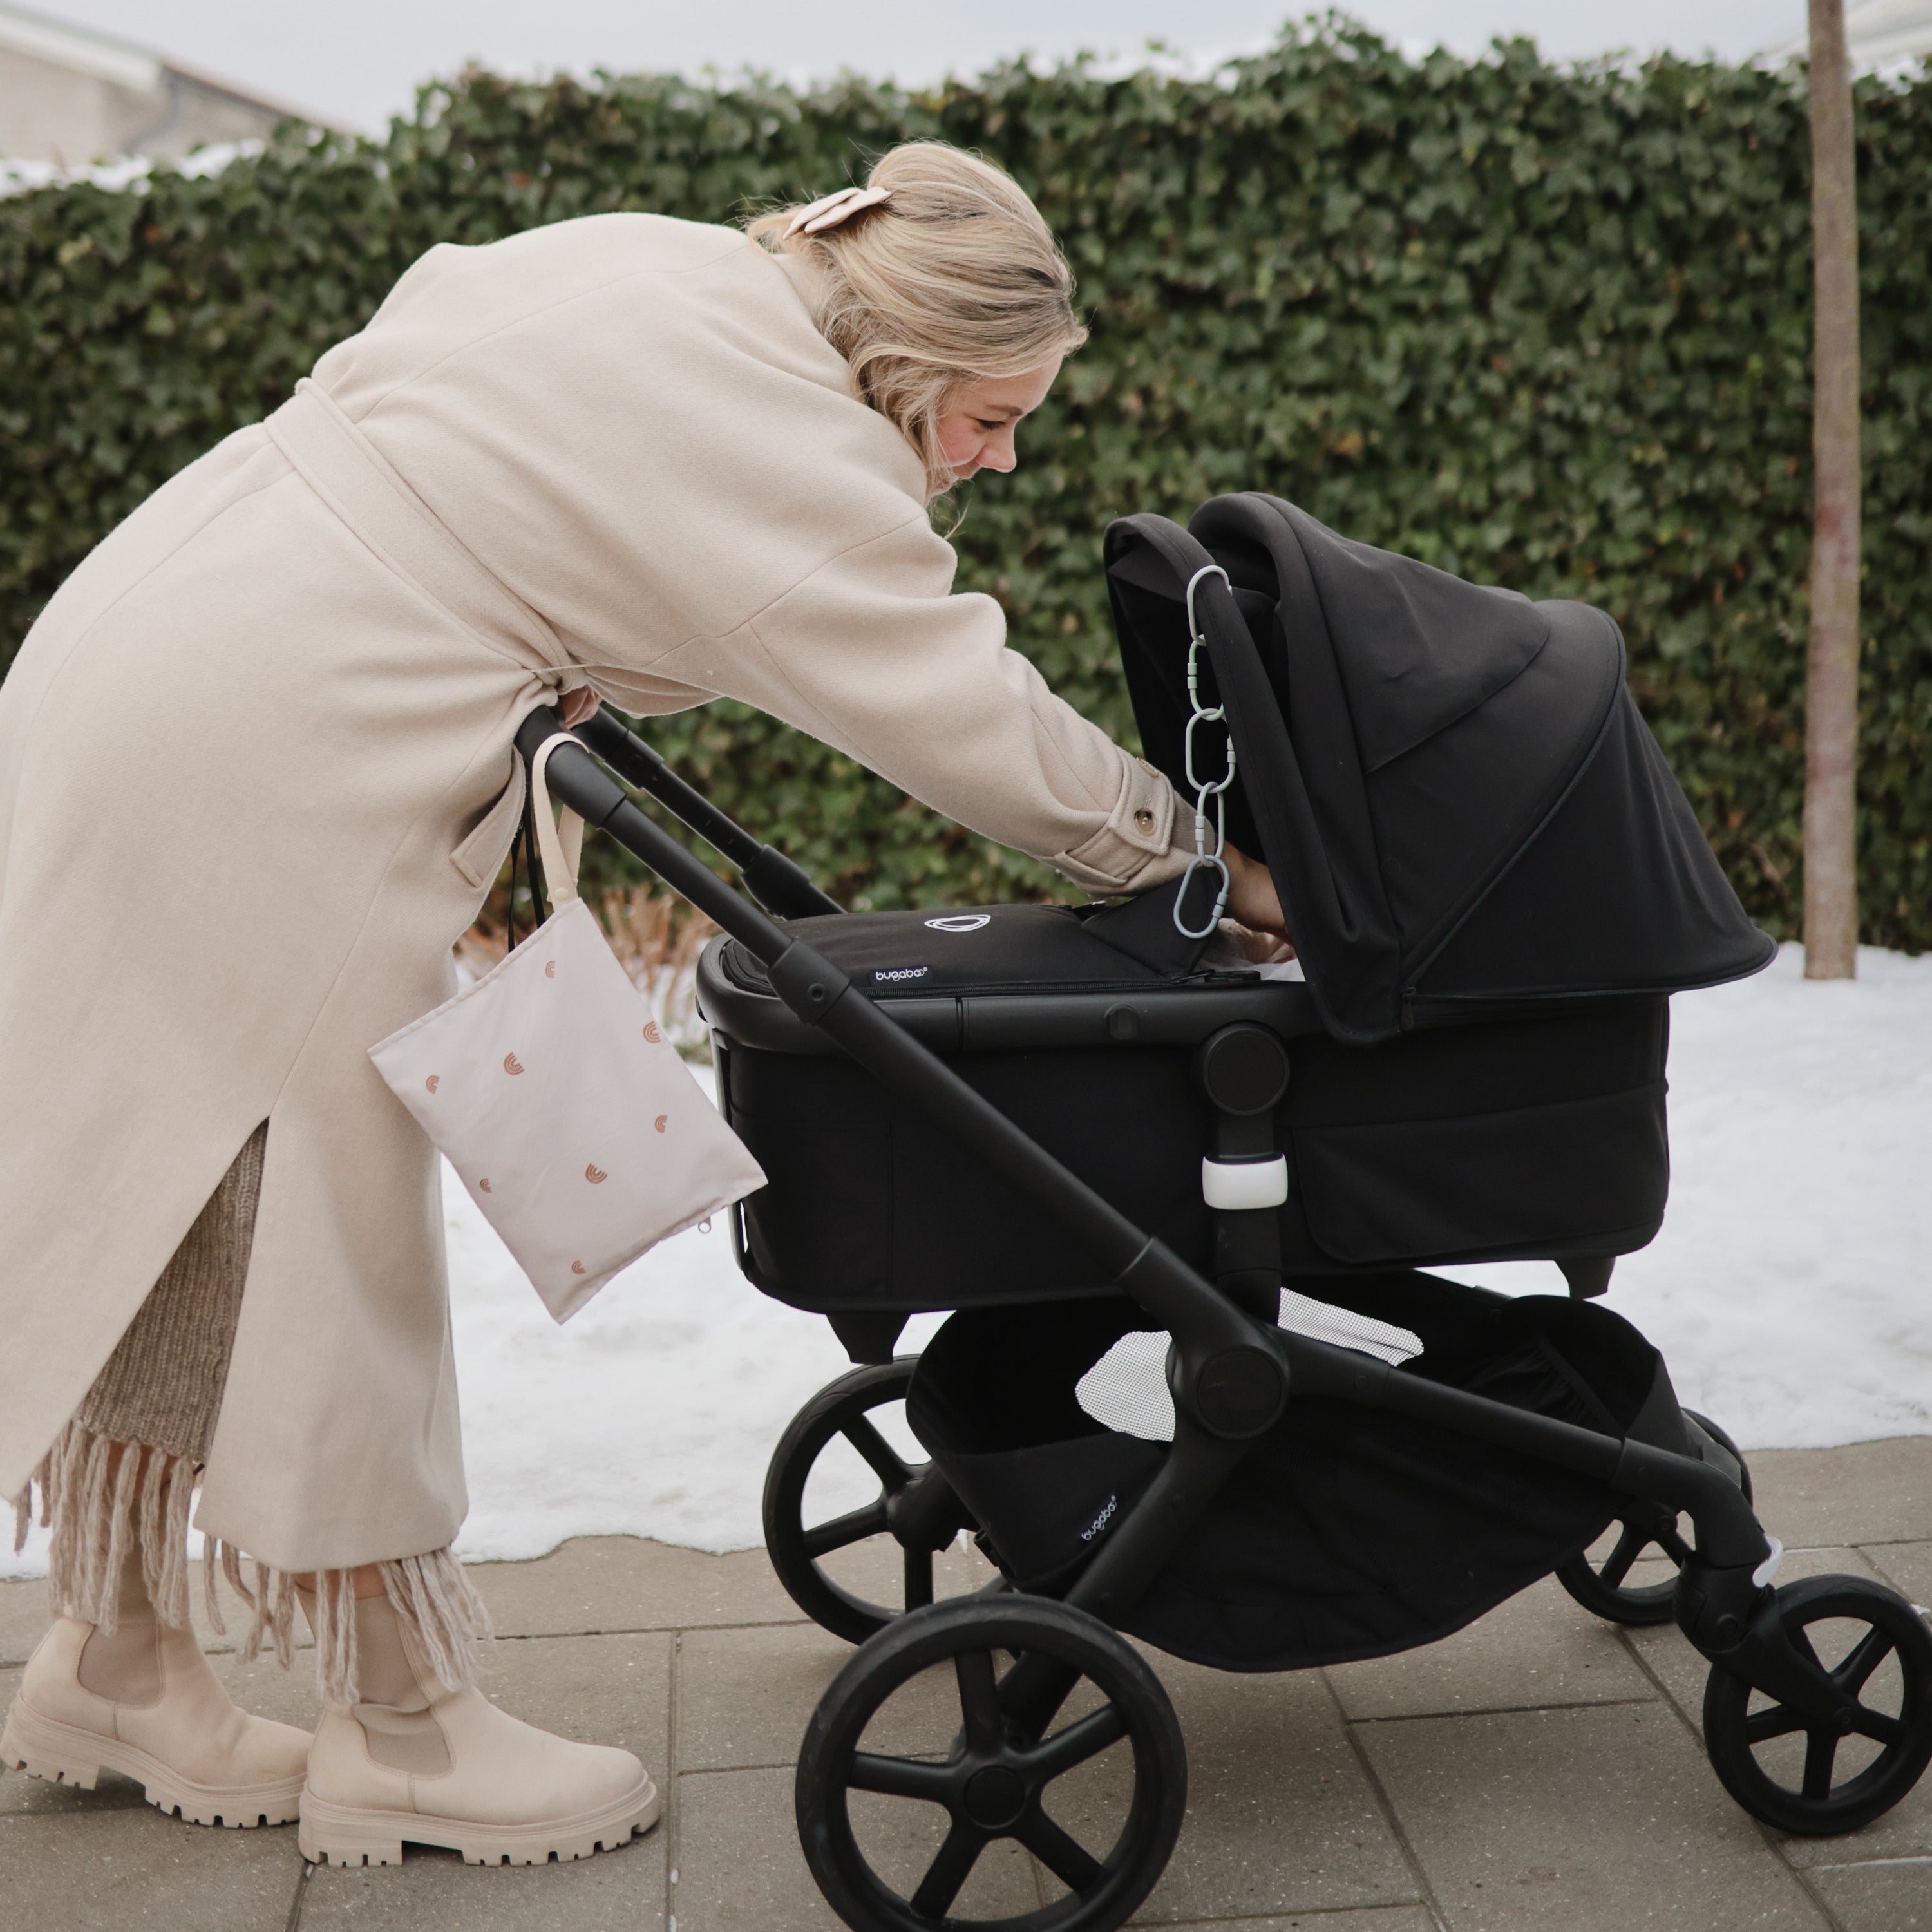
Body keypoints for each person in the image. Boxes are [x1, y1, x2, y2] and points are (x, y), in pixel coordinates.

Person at [0, 141, 1285, 1867]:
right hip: (271, 745)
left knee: (183, 1178)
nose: (998, 455)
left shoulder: (676, 267)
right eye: (991, 416)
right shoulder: (794, 442)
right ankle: (402, 1726)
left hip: (146, 639)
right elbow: (958, 711)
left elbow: (464, 422)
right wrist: (1193, 852)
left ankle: (117, 1655)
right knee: (326, 1212)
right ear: (913, 355)